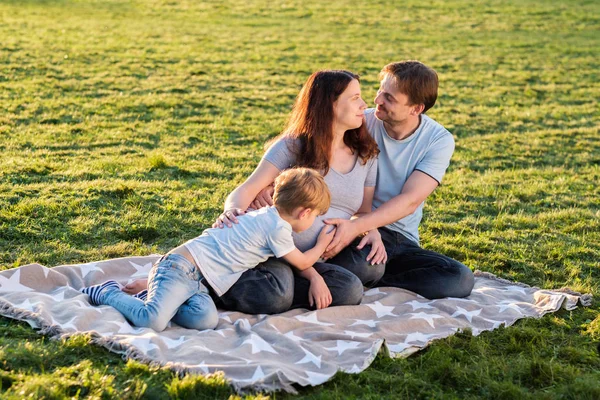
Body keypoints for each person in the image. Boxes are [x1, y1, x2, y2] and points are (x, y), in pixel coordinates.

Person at [212, 70, 385, 314]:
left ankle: (290, 283)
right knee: (284, 295)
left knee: (369, 267)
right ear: (330, 105)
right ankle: (226, 287)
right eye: (355, 97)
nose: (364, 105)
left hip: (322, 254)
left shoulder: (366, 154)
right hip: (274, 250)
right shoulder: (293, 145)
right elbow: (247, 189)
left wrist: (372, 229)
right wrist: (232, 211)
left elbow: (363, 211)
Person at [80, 168, 336, 332]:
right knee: (153, 321)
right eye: (315, 216)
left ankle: (156, 296)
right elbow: (302, 262)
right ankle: (107, 293)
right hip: (181, 267)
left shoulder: (264, 215)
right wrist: (322, 245)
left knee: (204, 321)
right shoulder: (277, 228)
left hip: (201, 283)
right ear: (304, 213)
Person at [318, 61, 475, 299]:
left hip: (399, 238)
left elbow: (410, 200)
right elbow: (304, 139)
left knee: (459, 279)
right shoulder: (361, 122)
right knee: (361, 265)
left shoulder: (438, 140)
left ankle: (375, 280)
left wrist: (358, 226)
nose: (377, 100)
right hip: (357, 226)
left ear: (416, 108)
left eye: (389, 98)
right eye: (380, 91)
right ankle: (364, 274)